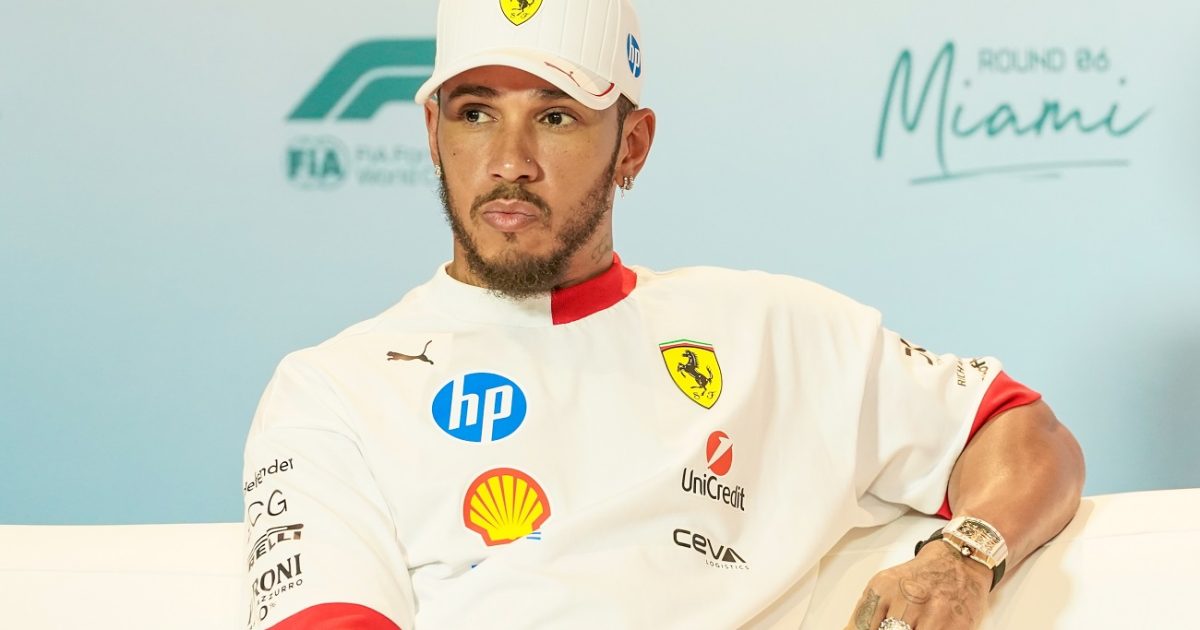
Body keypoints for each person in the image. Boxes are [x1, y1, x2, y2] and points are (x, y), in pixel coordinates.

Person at [241, 0, 1085, 628]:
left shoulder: (774, 329)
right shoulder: (332, 389)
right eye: (475, 114)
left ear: (633, 146)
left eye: (556, 117)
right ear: (433, 132)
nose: (509, 161)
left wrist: (966, 556)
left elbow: (1021, 430)